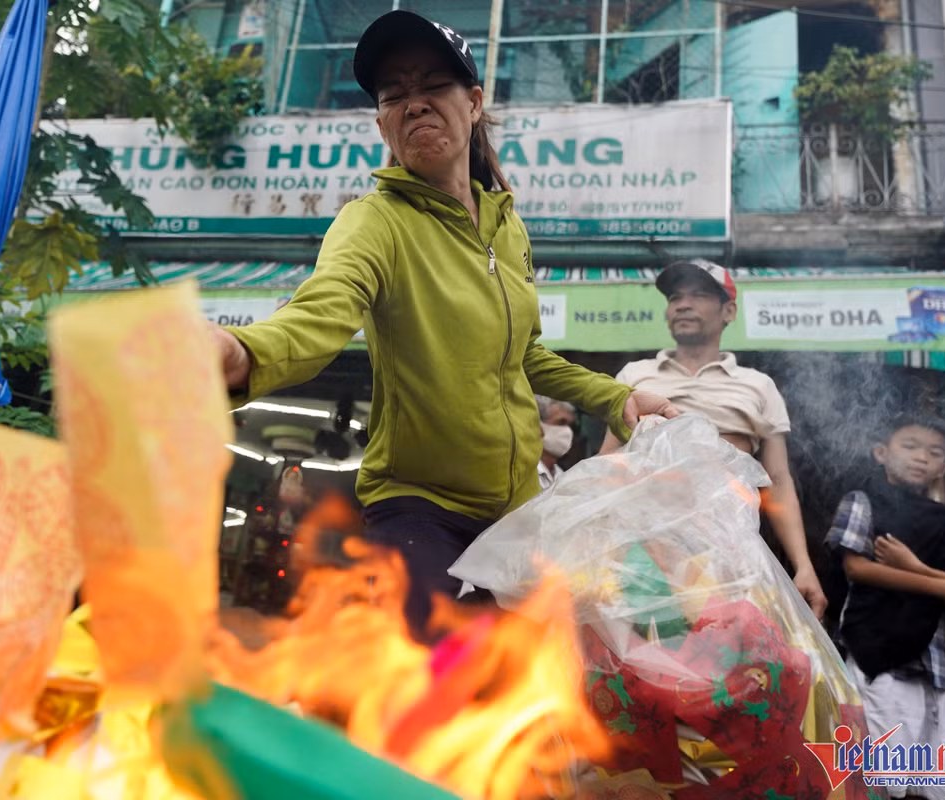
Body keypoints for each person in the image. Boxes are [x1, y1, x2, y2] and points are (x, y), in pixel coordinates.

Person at [210, 10, 677, 637]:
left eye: (433, 86)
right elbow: (322, 311)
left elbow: (525, 356)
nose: (414, 104)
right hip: (418, 512)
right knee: (434, 682)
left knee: (546, 684)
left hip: (518, 518)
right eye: (394, 95)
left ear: (474, 103)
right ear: (382, 123)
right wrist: (241, 352)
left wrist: (618, 398)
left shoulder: (508, 229)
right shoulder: (374, 221)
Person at [600, 259, 828, 618]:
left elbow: (778, 480)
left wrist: (803, 566)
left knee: (726, 640)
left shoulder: (758, 385)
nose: (683, 305)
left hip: (728, 548)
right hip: (644, 548)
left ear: (728, 311)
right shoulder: (634, 376)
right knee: (645, 642)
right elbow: (607, 465)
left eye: (699, 295)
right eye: (675, 298)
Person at [825, 414, 945, 800]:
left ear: (944, 468)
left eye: (934, 452)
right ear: (881, 452)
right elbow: (858, 568)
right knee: (883, 779)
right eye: (910, 446)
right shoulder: (864, 501)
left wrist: (912, 566)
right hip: (882, 656)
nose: (921, 457)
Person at [536, 395, 576, 490]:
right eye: (561, 423)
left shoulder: (562, 476)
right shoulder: (523, 474)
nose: (567, 431)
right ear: (539, 427)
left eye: (570, 425)